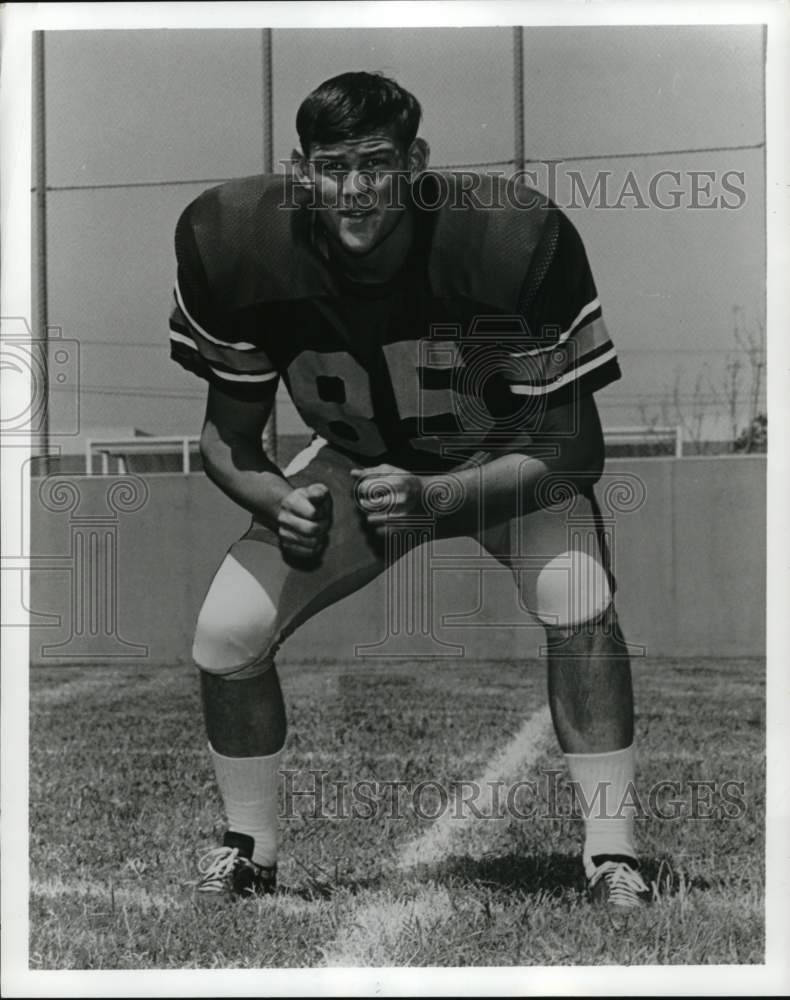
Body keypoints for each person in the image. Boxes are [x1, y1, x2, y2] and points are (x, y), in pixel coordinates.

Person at [169, 71, 650, 910]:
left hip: (504, 460)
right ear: (298, 170)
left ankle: (613, 854)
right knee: (225, 633)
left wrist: (440, 496)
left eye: (376, 164)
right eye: (330, 167)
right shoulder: (234, 242)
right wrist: (272, 498)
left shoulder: (508, 236)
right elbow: (228, 439)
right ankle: (249, 847)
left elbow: (575, 447)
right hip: (361, 465)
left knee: (578, 596)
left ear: (415, 161)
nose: (353, 190)